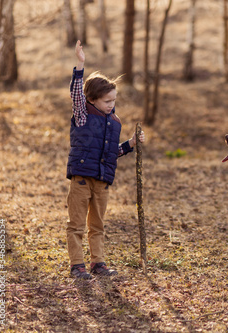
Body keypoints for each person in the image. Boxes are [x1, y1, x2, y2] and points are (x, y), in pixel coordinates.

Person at [66, 40, 145, 279]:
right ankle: (77, 265)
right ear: (91, 100)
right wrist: (80, 64)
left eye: (114, 101)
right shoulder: (82, 115)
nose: (112, 105)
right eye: (107, 101)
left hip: (102, 181)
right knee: (77, 224)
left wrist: (131, 144)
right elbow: (75, 94)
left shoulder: (115, 122)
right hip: (81, 179)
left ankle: (97, 263)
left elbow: (112, 153)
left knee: (97, 225)